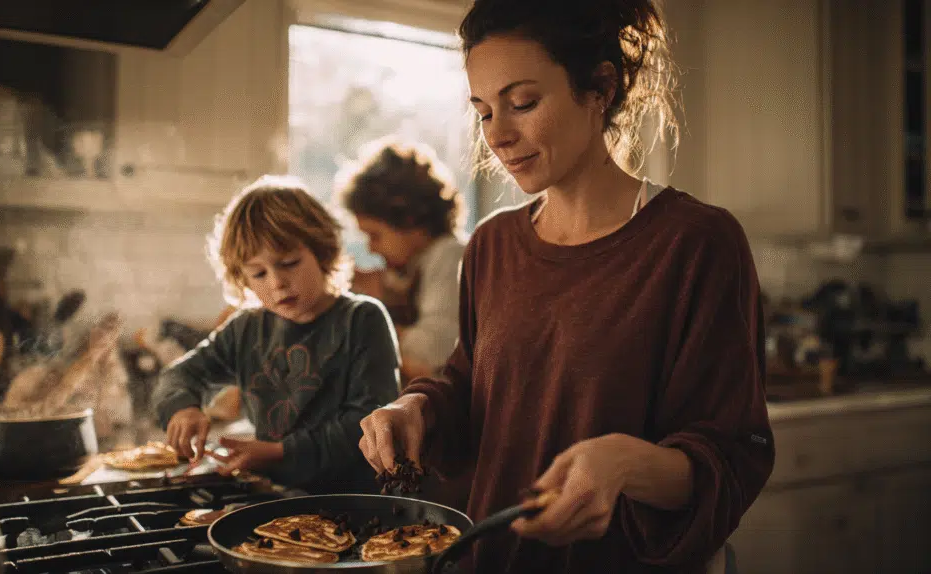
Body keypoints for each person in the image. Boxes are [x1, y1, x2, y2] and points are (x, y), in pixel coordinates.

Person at [358, 1, 774, 573]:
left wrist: (624, 463)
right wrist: (417, 408)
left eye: (523, 103)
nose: (498, 135)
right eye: (483, 112)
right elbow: (471, 384)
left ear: (600, 88)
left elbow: (734, 455)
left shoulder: (695, 243)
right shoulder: (492, 244)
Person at [152, 175, 400, 494]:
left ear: (322, 252)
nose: (276, 282)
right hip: (276, 499)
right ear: (242, 278)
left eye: (289, 263)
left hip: (354, 500)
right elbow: (176, 376)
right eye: (258, 273)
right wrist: (183, 407)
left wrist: (279, 453)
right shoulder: (246, 328)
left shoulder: (362, 319)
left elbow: (368, 424)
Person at [337, 138, 467, 382]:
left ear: (408, 218)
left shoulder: (450, 257)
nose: (371, 248)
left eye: (375, 235)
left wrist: (372, 324)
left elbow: (433, 349)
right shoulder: (412, 265)